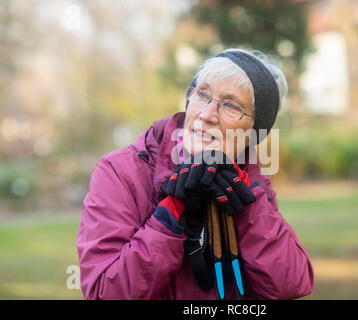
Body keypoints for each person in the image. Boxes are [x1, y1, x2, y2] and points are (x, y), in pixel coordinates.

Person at [76, 48, 314, 300]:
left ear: (253, 133)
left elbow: (291, 283)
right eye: (202, 94)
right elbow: (104, 294)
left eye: (231, 106)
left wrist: (246, 206)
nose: (207, 114)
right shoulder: (120, 172)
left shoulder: (250, 178)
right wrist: (170, 212)